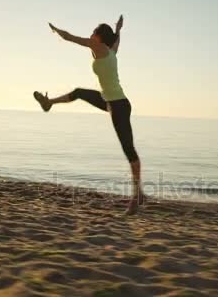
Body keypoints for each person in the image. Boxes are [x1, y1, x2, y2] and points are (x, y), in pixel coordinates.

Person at [33, 15, 145, 215]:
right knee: (78, 92)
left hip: (118, 105)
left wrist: (56, 30)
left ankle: (137, 197)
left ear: (99, 37)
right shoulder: (110, 51)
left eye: (94, 32)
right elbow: (117, 41)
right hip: (110, 100)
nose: (91, 35)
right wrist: (119, 29)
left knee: (129, 150)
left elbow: (71, 38)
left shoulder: (99, 48)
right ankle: (49, 103)